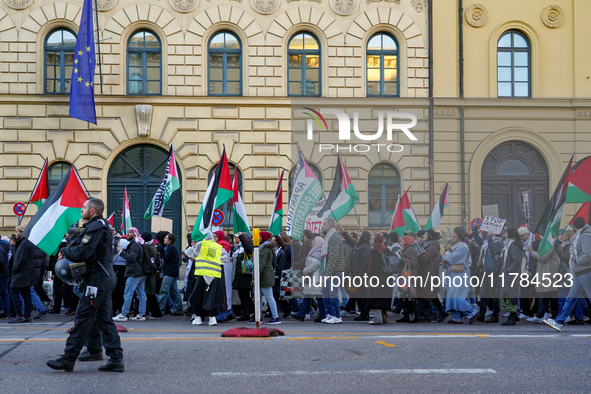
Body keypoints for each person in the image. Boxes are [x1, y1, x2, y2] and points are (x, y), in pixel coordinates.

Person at [46, 198, 124, 372]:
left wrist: (64, 250)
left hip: (97, 279)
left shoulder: (96, 227)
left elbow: (83, 252)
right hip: (102, 277)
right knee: (104, 320)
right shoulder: (100, 225)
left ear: (93, 211)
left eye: (83, 208)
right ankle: (113, 357)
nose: (81, 210)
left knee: (82, 318)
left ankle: (68, 358)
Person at [544, 218, 591, 332]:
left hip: (585, 271)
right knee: (570, 299)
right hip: (579, 272)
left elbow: (588, 254)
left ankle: (559, 321)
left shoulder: (584, 236)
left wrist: (576, 261)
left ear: (575, 227)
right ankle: (559, 322)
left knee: (572, 299)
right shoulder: (581, 235)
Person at [188, 232, 226, 326]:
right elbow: (224, 260)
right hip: (215, 274)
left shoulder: (200, 244)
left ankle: (198, 317)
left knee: (198, 296)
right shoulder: (218, 246)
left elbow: (188, 253)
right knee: (212, 296)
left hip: (202, 273)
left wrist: (196, 258)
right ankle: (212, 318)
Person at [443, 227, 478, 325]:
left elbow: (453, 258)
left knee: (458, 296)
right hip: (455, 275)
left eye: (454, 237)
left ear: (460, 238)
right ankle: (457, 318)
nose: (452, 238)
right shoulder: (456, 246)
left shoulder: (462, 247)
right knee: (452, 295)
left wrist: (447, 252)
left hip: (460, 275)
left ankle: (472, 312)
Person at [526, 227, 560, 323]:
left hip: (549, 273)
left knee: (548, 295)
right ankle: (544, 314)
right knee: (547, 295)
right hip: (545, 272)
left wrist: (532, 252)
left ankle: (543, 315)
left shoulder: (550, 244)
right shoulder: (546, 243)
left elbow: (543, 257)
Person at [473, 227, 503, 323]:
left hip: (493, 271)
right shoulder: (486, 242)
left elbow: (493, 249)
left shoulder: (499, 242)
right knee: (483, 293)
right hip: (486, 270)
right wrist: (474, 229)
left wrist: (489, 238)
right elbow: (478, 240)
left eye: (493, 231)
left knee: (494, 294)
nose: (490, 231)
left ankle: (495, 315)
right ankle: (481, 314)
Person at [8, 225, 35, 324]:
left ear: (22, 232)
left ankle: (20, 315)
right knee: (26, 294)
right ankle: (27, 315)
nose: (15, 234)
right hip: (25, 273)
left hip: (22, 273)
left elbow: (21, 259)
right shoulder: (23, 243)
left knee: (13, 292)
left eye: (16, 232)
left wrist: (15, 269)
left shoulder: (24, 244)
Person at [320, 218, 346, 324]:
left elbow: (333, 257)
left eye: (324, 223)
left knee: (332, 293)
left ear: (330, 225)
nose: (322, 225)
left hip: (334, 270)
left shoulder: (334, 237)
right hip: (329, 270)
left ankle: (336, 315)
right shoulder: (329, 236)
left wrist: (328, 272)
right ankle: (330, 314)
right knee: (325, 292)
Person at [252, 231, 281, 324]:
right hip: (264, 275)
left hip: (264, 276)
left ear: (263, 238)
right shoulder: (264, 248)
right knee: (259, 297)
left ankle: (276, 317)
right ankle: (258, 316)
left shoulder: (264, 249)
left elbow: (260, 264)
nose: (257, 238)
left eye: (259, 236)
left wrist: (255, 277)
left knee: (269, 297)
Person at [293, 236, 324, 322]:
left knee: (318, 297)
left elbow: (315, 264)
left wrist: (305, 270)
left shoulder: (318, 251)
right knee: (306, 295)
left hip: (315, 278)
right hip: (310, 277)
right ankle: (301, 314)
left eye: (313, 241)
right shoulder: (314, 250)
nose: (312, 243)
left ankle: (323, 315)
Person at [418, 230, 446, 322]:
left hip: (430, 272)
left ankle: (442, 312)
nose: (424, 235)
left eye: (426, 234)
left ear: (430, 235)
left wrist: (418, 256)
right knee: (424, 294)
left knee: (431, 295)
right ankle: (427, 315)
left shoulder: (433, 245)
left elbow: (425, 258)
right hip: (424, 272)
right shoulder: (426, 244)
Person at [499, 228, 524, 326]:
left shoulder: (513, 245)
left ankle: (512, 316)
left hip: (510, 274)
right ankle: (514, 314)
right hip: (507, 273)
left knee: (508, 294)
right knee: (504, 294)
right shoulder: (508, 245)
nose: (504, 235)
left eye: (506, 233)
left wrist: (508, 270)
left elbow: (516, 260)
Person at [367, 235, 393, 325]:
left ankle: (378, 318)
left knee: (376, 295)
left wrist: (370, 275)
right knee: (385, 296)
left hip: (378, 277)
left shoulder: (374, 251)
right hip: (388, 277)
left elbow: (373, 266)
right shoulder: (387, 250)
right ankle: (385, 318)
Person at [157, 233, 184, 316]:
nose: (164, 239)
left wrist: (161, 250)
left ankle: (160, 310)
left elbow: (166, 258)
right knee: (174, 292)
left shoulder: (171, 248)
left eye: (166, 238)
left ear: (170, 240)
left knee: (163, 291)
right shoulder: (171, 247)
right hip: (173, 272)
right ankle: (178, 309)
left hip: (169, 272)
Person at [232, 233, 254, 321]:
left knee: (245, 296)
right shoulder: (239, 248)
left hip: (245, 277)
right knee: (243, 296)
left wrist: (242, 238)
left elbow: (248, 249)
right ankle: (249, 311)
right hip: (240, 276)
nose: (237, 238)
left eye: (240, 237)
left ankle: (246, 314)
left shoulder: (248, 245)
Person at [141, 232, 162, 320]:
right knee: (150, 294)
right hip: (151, 272)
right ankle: (155, 312)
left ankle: (156, 313)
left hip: (150, 273)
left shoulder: (147, 247)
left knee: (150, 294)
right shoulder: (151, 246)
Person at [0, 236, 10, 318]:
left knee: (4, 294)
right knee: (4, 294)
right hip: (5, 274)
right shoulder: (3, 248)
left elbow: (1, 262)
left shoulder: (0, 249)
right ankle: (7, 311)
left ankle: (2, 308)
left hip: (2, 275)